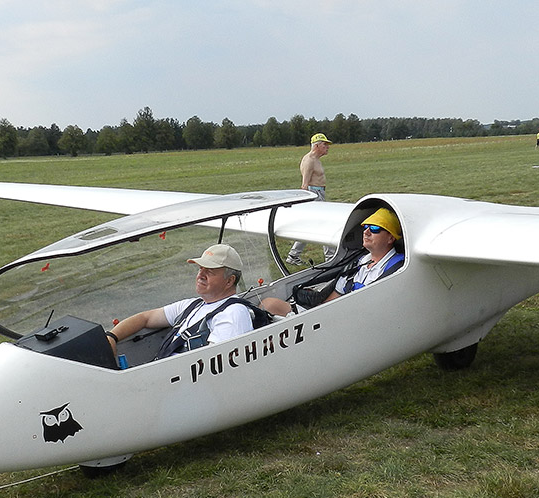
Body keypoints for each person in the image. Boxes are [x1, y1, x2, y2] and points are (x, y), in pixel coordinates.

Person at [106, 243, 255, 359]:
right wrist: (112, 337)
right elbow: (145, 318)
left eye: (209, 271)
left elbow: (215, 365)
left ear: (229, 281)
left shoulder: (234, 313)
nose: (200, 275)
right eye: (200, 269)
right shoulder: (192, 305)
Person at [263, 208, 404, 316]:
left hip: (359, 320)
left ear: (391, 238)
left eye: (375, 229)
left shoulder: (398, 269)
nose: (366, 232)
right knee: (268, 304)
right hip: (335, 318)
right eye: (365, 227)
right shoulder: (357, 263)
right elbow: (329, 304)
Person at [287, 132, 335, 265]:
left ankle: (293, 255)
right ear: (317, 146)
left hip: (319, 193)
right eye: (325, 144)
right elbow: (304, 184)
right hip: (314, 194)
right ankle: (330, 258)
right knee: (325, 223)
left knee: (310, 227)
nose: (328, 147)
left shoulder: (315, 160)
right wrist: (307, 201)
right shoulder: (309, 160)